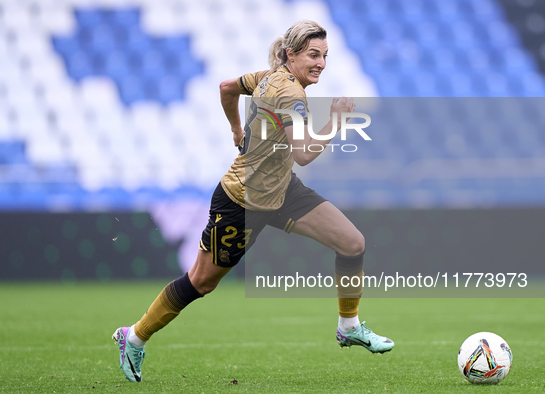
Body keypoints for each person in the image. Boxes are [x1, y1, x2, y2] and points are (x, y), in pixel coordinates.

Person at [112, 20, 393, 383]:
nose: (321, 63)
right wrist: (336, 122)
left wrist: (235, 128)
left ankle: (349, 326)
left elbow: (227, 88)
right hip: (242, 200)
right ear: (291, 55)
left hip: (282, 191)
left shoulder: (266, 76)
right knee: (200, 282)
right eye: (313, 55)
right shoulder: (290, 94)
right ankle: (133, 337)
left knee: (352, 243)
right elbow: (304, 153)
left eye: (324, 56)